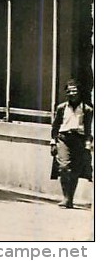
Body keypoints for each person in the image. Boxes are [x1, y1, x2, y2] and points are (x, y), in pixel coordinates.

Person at [51, 80, 94, 209]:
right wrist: (53, 142)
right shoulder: (61, 108)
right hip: (64, 139)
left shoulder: (87, 110)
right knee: (64, 167)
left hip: (79, 140)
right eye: (69, 91)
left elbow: (89, 129)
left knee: (75, 170)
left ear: (79, 93)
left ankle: (69, 198)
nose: (72, 93)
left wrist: (87, 145)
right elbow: (55, 126)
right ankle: (65, 196)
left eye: (74, 91)